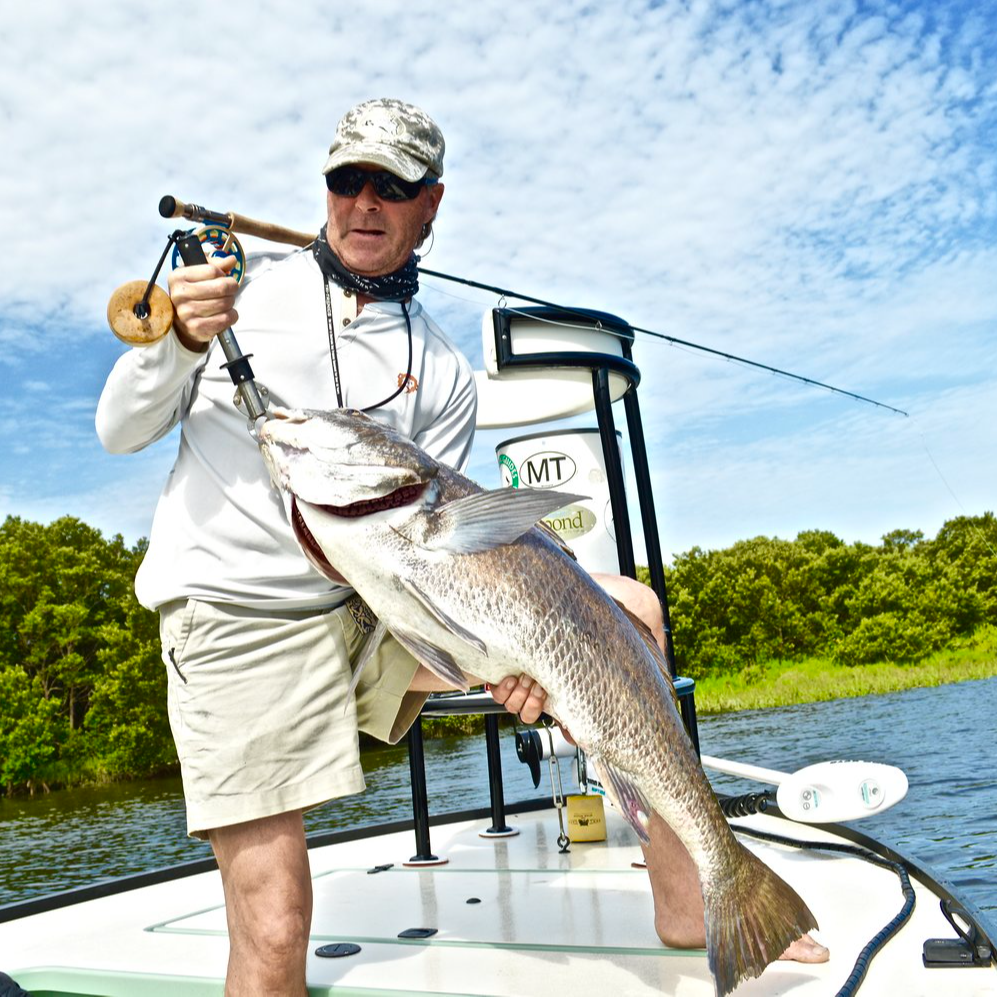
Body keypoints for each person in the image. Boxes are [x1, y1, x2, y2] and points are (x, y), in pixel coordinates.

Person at [96, 98, 824, 995]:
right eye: (345, 180)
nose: (364, 203)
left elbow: (434, 553)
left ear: (429, 204)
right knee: (277, 925)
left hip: (377, 604)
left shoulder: (440, 368)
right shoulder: (244, 300)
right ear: (326, 188)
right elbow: (120, 431)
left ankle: (707, 890)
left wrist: (506, 654)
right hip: (244, 618)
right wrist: (176, 345)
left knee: (628, 608)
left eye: (392, 186)